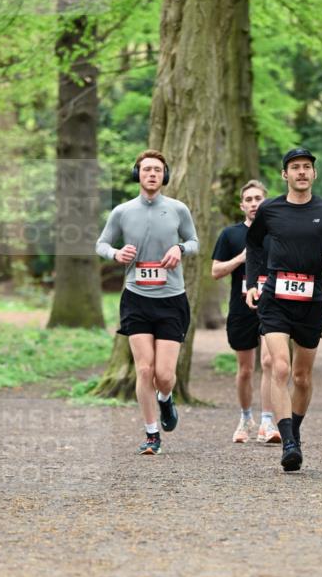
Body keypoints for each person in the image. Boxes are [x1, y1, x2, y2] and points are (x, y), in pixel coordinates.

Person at [245, 147, 322, 472]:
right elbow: (253, 245)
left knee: (302, 377)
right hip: (276, 297)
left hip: (311, 299)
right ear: (285, 175)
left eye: (307, 167)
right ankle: (289, 443)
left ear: (314, 174)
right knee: (279, 368)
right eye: (295, 167)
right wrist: (253, 281)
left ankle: (294, 429)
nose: (302, 172)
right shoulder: (269, 210)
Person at [95, 149, 198, 454]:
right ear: (137, 174)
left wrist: (180, 249)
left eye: (157, 170)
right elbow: (101, 244)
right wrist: (115, 254)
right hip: (136, 297)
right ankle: (152, 433)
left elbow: (195, 241)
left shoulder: (179, 209)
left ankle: (166, 399)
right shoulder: (122, 212)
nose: (151, 174)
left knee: (164, 375)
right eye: (146, 169)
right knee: (144, 370)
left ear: (164, 176)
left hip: (171, 299)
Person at [211, 180, 280, 444]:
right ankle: (244, 417)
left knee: (269, 363)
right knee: (245, 369)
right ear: (242, 205)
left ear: (266, 201)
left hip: (272, 307)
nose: (254, 203)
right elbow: (215, 272)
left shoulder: (276, 233)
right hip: (241, 308)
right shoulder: (230, 235)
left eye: (258, 198)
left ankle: (267, 421)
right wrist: (240, 259)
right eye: (249, 199)